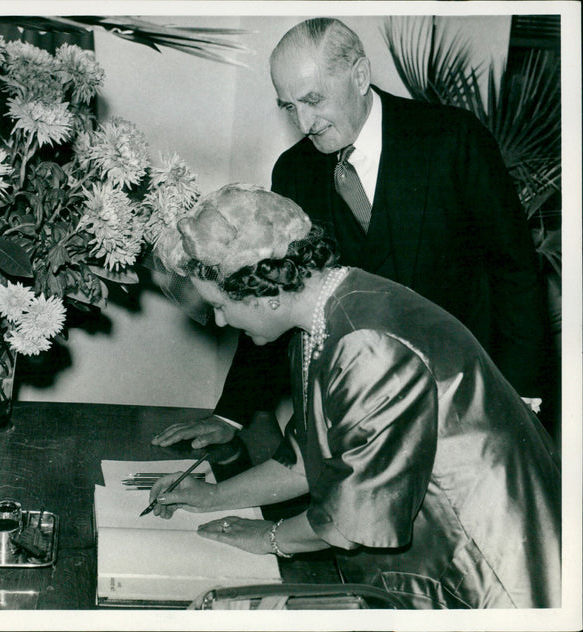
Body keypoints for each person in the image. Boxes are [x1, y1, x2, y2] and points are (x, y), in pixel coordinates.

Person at [150, 183, 560, 609]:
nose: (219, 322)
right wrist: (213, 497)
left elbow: (355, 518)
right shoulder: (323, 315)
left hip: (495, 562)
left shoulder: (365, 343)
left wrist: (268, 537)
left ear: (262, 294)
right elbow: (309, 461)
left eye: (219, 306)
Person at [152, 17, 548, 451]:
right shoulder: (295, 169)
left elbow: (517, 274)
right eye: (289, 106)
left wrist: (520, 400)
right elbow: (267, 292)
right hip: (361, 413)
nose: (304, 122)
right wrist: (232, 413)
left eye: (313, 99)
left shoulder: (453, 138)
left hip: (464, 400)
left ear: (359, 75)